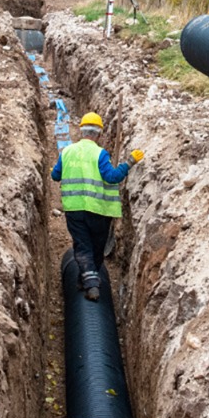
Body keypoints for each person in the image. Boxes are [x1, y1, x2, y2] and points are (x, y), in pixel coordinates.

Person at [52, 112, 143, 301]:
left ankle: (84, 281)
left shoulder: (67, 152)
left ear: (81, 130)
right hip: (99, 210)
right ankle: (92, 284)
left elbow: (55, 175)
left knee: (83, 247)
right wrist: (130, 162)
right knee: (96, 248)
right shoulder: (100, 154)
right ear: (99, 134)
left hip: (74, 209)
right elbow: (112, 177)